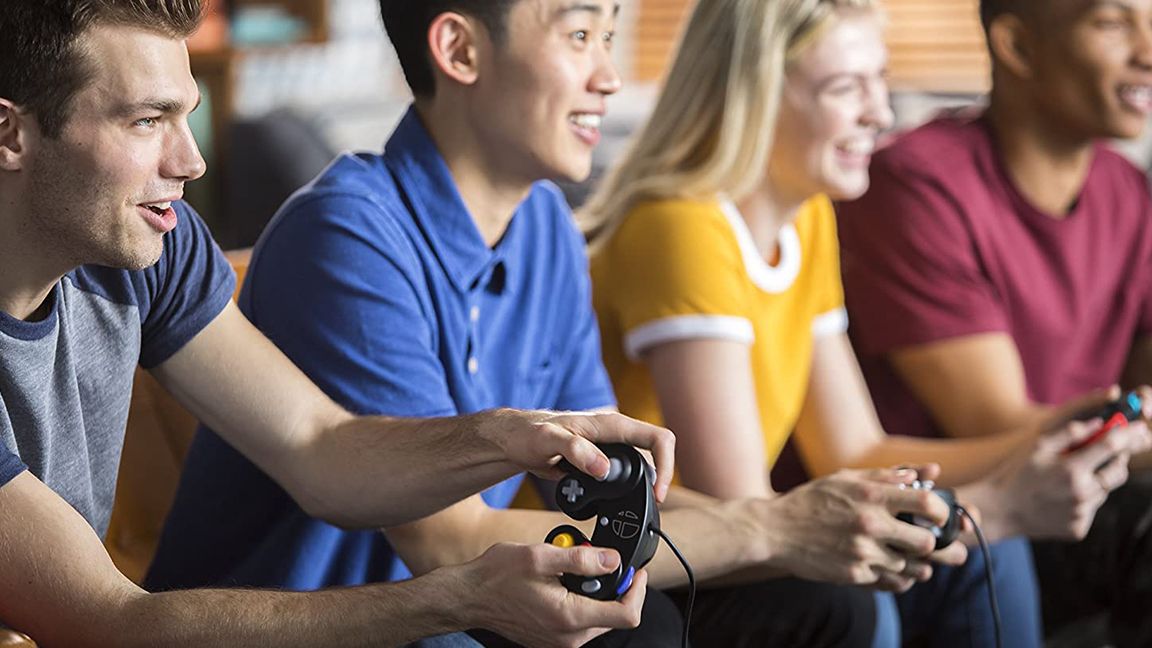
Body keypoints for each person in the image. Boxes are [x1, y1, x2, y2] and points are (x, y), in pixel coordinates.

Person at [146, 0, 968, 646]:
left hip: (471, 609)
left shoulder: (545, 225)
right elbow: (449, 544)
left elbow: (601, 489)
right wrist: (769, 525)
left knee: (824, 604)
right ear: (460, 50)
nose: (609, 76)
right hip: (356, 620)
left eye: (611, 36)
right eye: (580, 34)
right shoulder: (347, 235)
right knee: (646, 630)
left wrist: (804, 526)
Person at [0, 2, 682, 646]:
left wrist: (508, 437)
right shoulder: (329, 227)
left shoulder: (151, 250)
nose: (191, 162)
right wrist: (460, 597)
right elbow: (107, 626)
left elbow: (318, 442)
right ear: (12, 134)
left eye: (185, 117)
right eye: (147, 121)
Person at [581, 0, 1152, 645]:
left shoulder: (807, 220)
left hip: (730, 547)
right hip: (657, 563)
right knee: (879, 576)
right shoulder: (682, 227)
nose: (881, 114)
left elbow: (855, 450)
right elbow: (746, 515)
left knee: (974, 544)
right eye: (846, 87)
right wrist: (1005, 505)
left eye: (879, 80)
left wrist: (1050, 446)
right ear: (754, 95)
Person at [836, 0, 1152, 645]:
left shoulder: (1128, 189)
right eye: (1114, 24)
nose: (1149, 52)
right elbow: (999, 426)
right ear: (1017, 45)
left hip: (1083, 494)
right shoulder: (916, 183)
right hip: (969, 514)